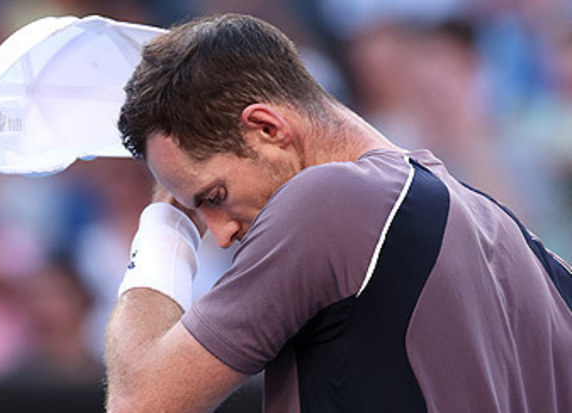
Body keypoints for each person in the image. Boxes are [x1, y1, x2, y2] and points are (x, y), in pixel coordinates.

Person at [105, 14, 572, 413]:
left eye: (212, 196)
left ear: (268, 128)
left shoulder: (328, 201)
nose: (222, 233)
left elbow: (139, 402)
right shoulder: (526, 247)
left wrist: (164, 222)